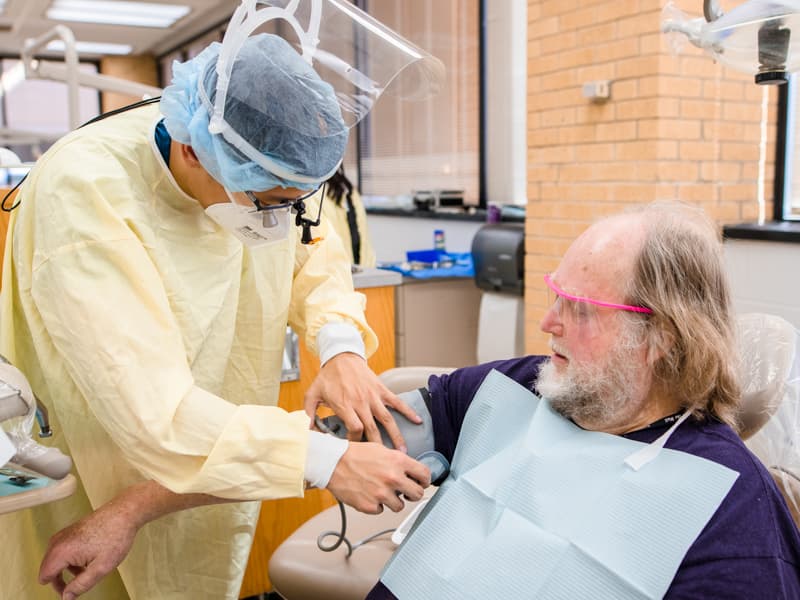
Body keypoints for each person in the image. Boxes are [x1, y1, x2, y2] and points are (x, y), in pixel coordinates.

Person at [38, 202, 800, 598]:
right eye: (554, 295)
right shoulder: (506, 392)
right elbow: (303, 448)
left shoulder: (729, 513)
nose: (547, 321)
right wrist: (128, 511)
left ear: (662, 337)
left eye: (580, 309)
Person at [2, 32, 429, 600]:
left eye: (296, 199)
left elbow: (313, 245)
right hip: (100, 452)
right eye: (270, 203)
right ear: (191, 152)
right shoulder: (84, 195)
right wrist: (325, 459)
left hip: (221, 457)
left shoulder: (254, 158)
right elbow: (158, 417)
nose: (284, 221)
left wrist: (338, 343)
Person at [322, 165, 377, 267]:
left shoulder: (348, 190)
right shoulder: (314, 192)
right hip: (341, 267)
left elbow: (362, 233)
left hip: (357, 265)